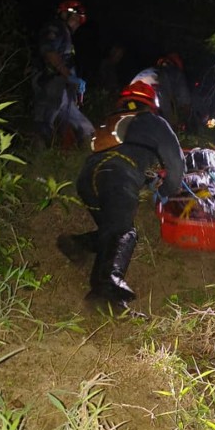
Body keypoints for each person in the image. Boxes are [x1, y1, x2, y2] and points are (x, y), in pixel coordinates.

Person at [56, 80, 186, 317]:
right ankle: (105, 296)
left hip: (88, 179)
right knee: (123, 233)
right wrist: (166, 192)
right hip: (118, 176)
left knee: (111, 231)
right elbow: (176, 167)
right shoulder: (154, 121)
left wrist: (145, 181)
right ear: (152, 105)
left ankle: (78, 244)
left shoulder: (113, 121)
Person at [31, 0, 96, 148]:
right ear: (65, 14)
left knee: (71, 114)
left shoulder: (66, 34)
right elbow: (49, 52)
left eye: (79, 21)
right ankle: (38, 151)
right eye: (75, 18)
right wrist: (69, 76)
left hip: (61, 83)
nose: (77, 24)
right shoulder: (56, 27)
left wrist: (73, 80)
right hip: (50, 80)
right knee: (46, 116)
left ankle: (90, 139)